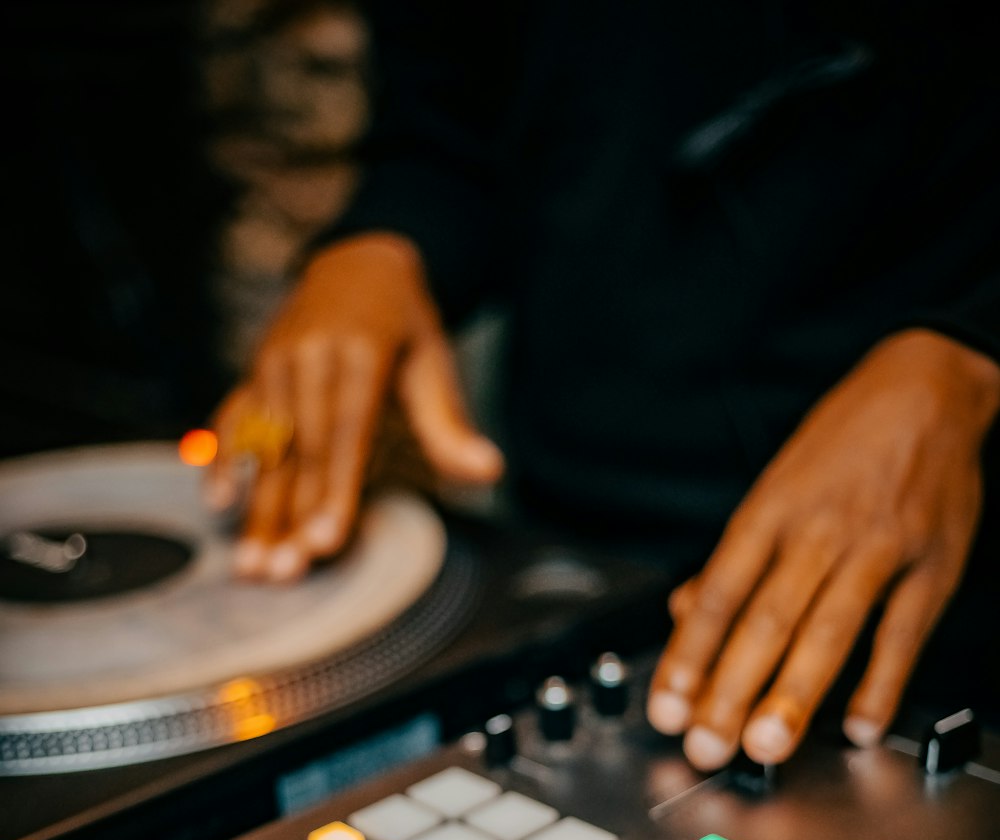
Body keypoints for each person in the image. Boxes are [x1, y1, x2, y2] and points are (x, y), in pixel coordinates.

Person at [208, 2, 1000, 770]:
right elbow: (449, 119)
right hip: (576, 539)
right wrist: (383, 242)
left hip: (939, 565)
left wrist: (970, 351)